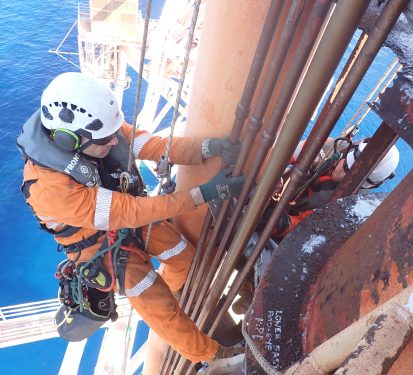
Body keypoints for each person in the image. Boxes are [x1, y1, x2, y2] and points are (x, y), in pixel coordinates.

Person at [16, 72, 245, 364]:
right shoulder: (50, 188)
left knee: (183, 258)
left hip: (124, 220)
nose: (114, 141)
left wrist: (206, 148)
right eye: (106, 138)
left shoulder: (96, 133)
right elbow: (130, 211)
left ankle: (177, 289)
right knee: (155, 301)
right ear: (68, 139)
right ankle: (212, 354)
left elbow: (150, 145)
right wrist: (205, 193)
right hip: (96, 247)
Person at [269, 137, 400, 237]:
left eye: (353, 180)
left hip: (290, 217)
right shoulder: (327, 145)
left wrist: (278, 223)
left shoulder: (351, 207)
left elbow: (302, 230)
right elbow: (282, 153)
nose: (343, 177)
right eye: (346, 168)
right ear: (349, 149)